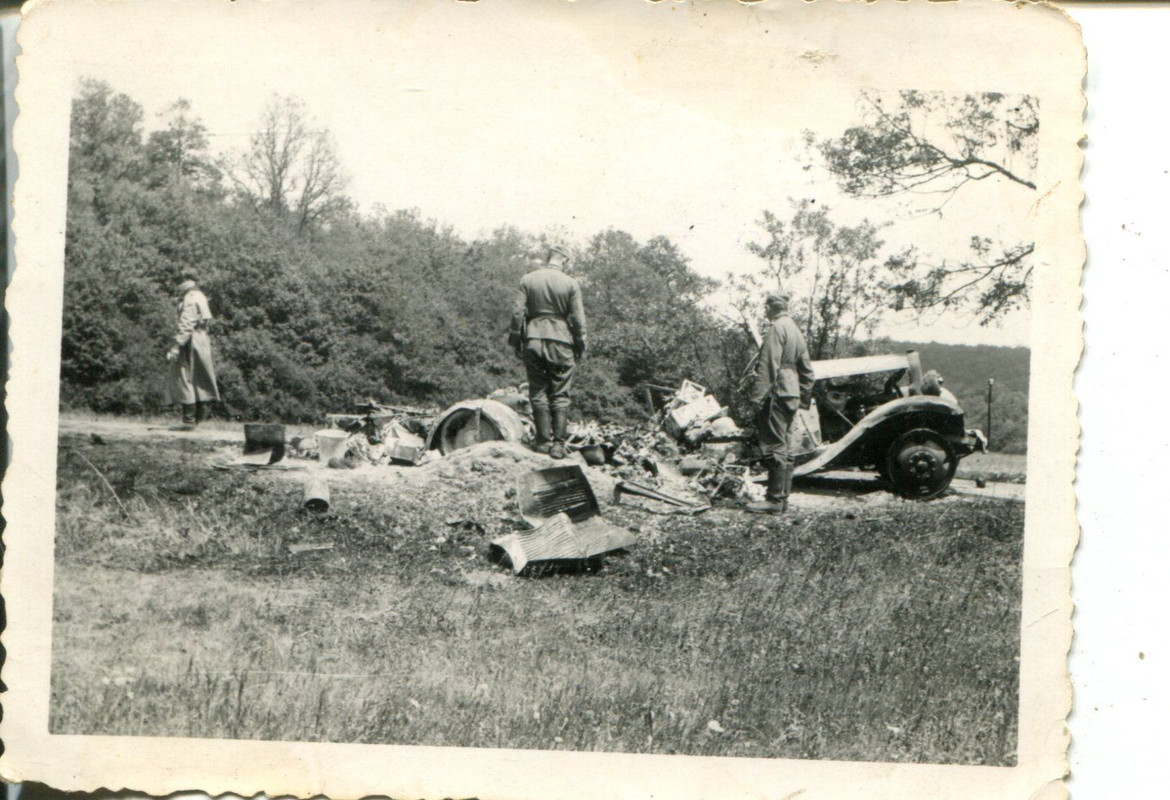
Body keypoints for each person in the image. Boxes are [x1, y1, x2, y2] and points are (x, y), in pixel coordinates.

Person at [509, 245, 587, 459]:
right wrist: (580, 345)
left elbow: (517, 313)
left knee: (538, 390)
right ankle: (559, 445)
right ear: (565, 261)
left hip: (533, 339)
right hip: (561, 341)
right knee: (560, 393)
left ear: (548, 258)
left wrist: (516, 340)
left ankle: (543, 442)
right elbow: (578, 320)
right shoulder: (571, 283)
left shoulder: (528, 279)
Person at [746, 291, 815, 514]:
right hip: (791, 394)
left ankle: (774, 501)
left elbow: (767, 365)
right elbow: (808, 372)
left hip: (777, 393)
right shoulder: (796, 330)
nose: (765, 311)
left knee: (775, 446)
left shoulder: (776, 329)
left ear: (771, 308)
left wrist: (757, 397)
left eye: (766, 308)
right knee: (785, 447)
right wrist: (803, 398)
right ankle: (782, 500)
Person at [165, 275, 220, 430]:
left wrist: (176, 346)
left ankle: (188, 421)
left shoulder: (190, 299)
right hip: (202, 338)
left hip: (192, 339)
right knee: (199, 378)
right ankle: (197, 420)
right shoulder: (200, 296)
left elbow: (186, 324)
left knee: (184, 376)